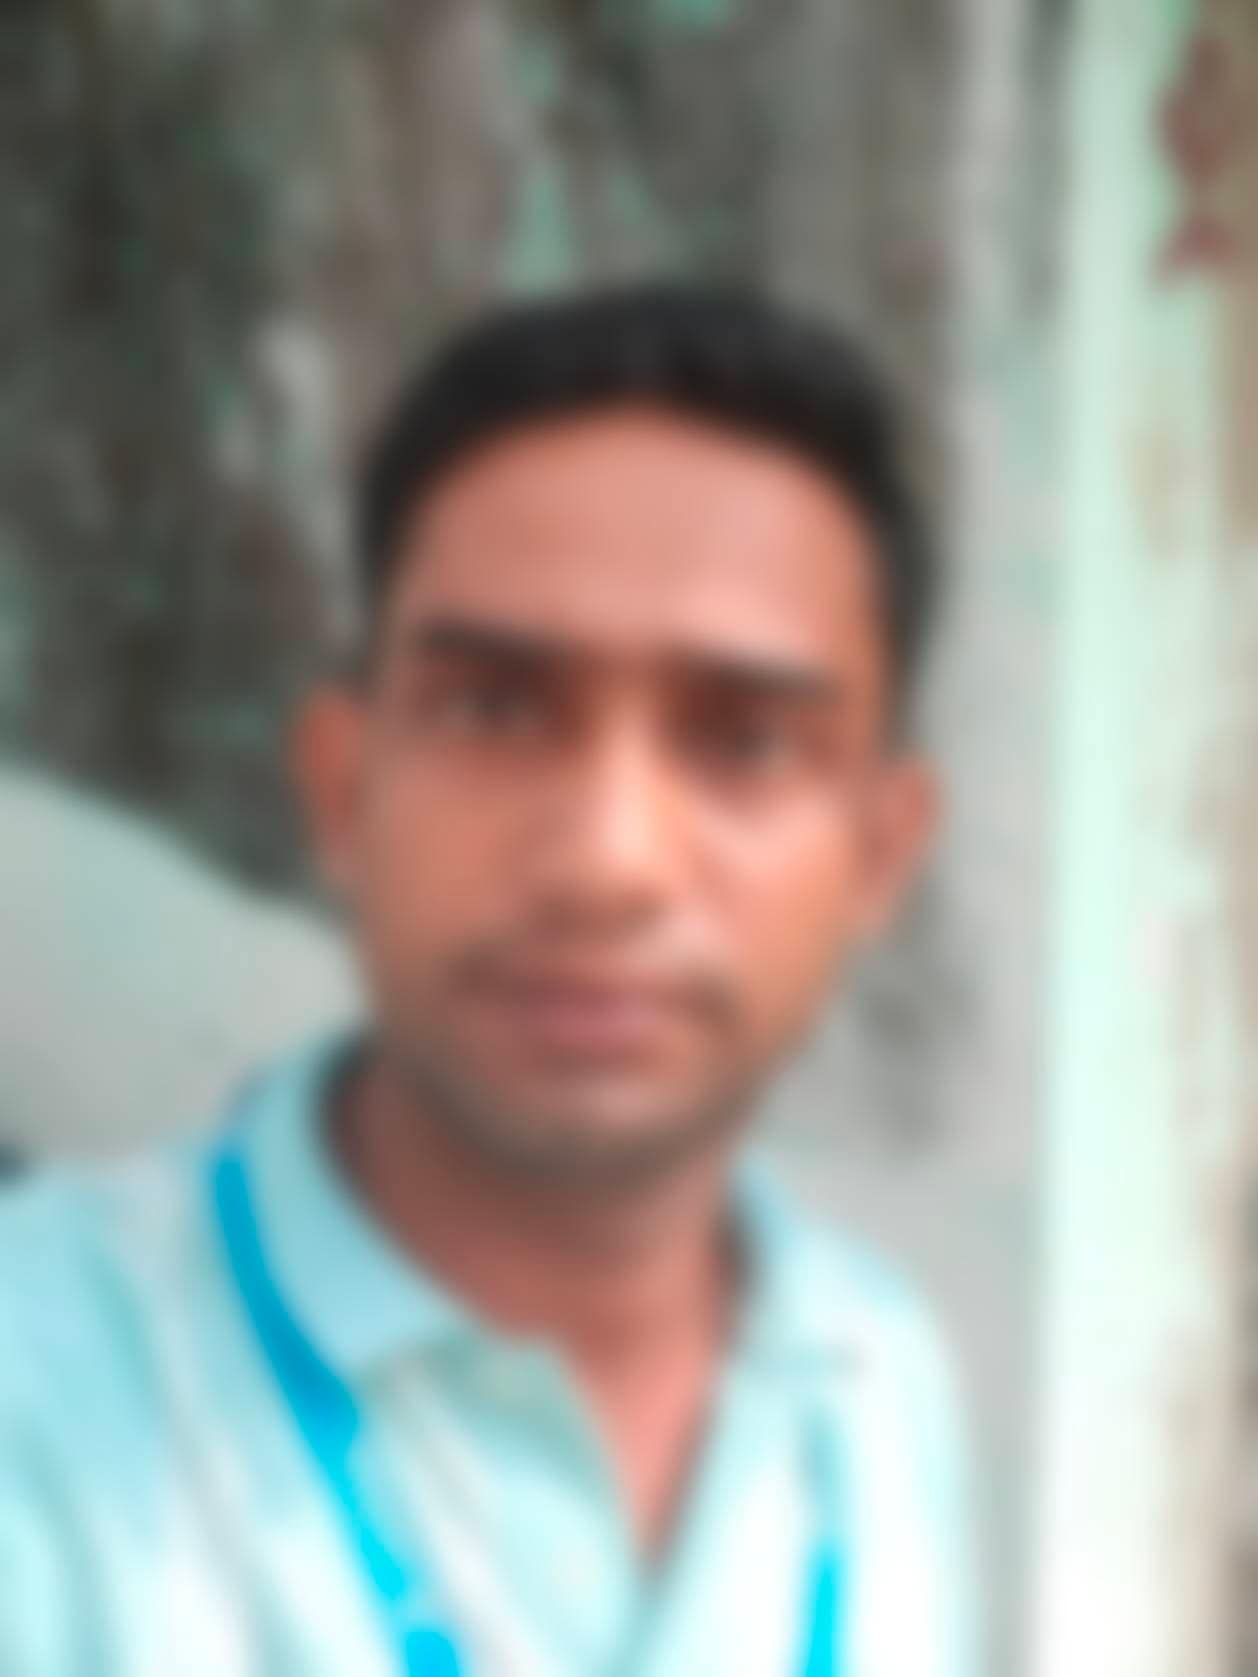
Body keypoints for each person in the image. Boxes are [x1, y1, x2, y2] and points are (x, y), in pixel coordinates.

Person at [0, 285, 979, 1675]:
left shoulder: (874, 1382)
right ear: (342, 790)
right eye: (498, 709)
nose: (608, 861)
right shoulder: (43, 1392)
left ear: (879, 855)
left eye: (744, 741)